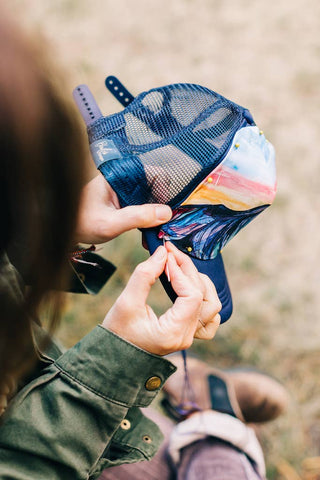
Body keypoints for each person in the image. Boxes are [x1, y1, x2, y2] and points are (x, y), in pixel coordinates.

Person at [0, 10, 221, 480]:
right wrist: (116, 362)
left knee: (161, 446)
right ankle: (219, 417)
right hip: (57, 439)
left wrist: (46, 232)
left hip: (42, 400)